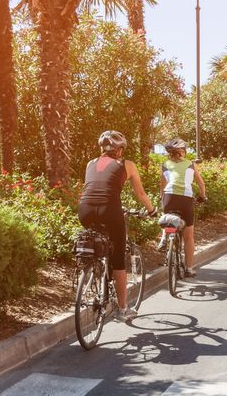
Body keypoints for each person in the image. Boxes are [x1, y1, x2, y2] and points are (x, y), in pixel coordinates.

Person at [78, 130, 157, 321]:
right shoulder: (126, 165)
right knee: (119, 260)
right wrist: (152, 211)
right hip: (110, 211)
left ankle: (93, 273)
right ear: (119, 150)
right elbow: (141, 194)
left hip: (85, 211)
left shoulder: (91, 163)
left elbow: (93, 187)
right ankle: (122, 309)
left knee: (94, 243)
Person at [159, 138, 207, 278]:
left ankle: (165, 235)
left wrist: (163, 199)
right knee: (189, 236)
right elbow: (201, 184)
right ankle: (189, 268)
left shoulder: (165, 164)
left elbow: (162, 186)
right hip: (185, 199)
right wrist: (202, 197)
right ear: (182, 152)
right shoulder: (190, 164)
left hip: (169, 197)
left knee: (168, 220)